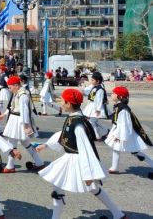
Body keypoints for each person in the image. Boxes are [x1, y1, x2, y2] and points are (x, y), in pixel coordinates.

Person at [36, 89, 127, 219]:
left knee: (92, 188)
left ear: (68, 104)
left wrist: (88, 174)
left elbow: (86, 149)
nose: (60, 103)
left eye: (62, 100)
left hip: (77, 160)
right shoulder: (73, 118)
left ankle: (118, 214)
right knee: (58, 188)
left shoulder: (78, 124)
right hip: (70, 158)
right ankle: (118, 214)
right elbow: (63, 134)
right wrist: (46, 145)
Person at [105, 86, 153, 178]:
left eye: (114, 93)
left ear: (120, 97)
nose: (112, 95)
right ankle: (114, 167)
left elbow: (124, 125)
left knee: (136, 152)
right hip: (120, 132)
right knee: (116, 148)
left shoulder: (123, 109)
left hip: (125, 134)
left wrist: (120, 136)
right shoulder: (119, 107)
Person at [1, 76, 44, 173]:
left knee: (12, 143)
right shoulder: (18, 93)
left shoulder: (22, 95)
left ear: (16, 85)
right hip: (16, 119)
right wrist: (4, 115)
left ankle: (10, 166)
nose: (9, 88)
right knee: (25, 143)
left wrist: (25, 125)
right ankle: (39, 163)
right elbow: (12, 107)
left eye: (10, 87)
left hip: (18, 121)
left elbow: (24, 111)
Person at [82, 72, 109, 141]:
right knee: (93, 122)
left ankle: (98, 135)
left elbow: (99, 100)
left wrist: (98, 109)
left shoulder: (100, 89)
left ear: (98, 81)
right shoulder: (94, 87)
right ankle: (104, 132)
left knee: (92, 122)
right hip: (91, 106)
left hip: (95, 107)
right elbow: (87, 92)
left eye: (93, 80)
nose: (91, 81)